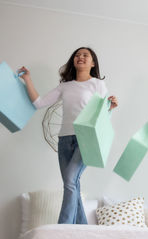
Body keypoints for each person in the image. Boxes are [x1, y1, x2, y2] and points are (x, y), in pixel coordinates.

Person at [18, 47, 118, 224]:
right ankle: (83, 227)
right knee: (73, 184)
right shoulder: (65, 86)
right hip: (64, 139)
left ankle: (63, 226)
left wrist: (110, 107)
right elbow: (39, 103)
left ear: (93, 63)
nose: (80, 57)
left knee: (70, 181)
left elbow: (101, 115)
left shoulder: (97, 84)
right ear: (73, 61)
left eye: (85, 55)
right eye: (77, 55)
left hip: (87, 139)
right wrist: (27, 79)